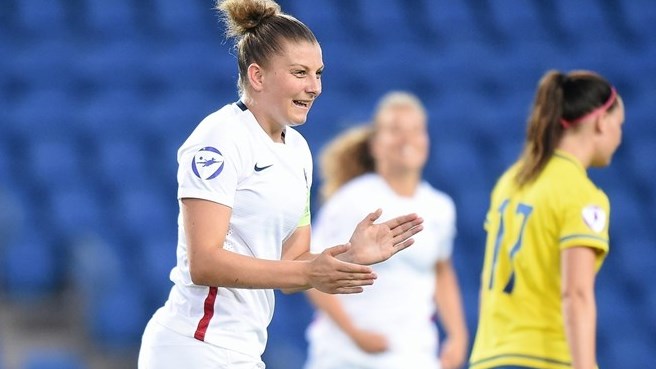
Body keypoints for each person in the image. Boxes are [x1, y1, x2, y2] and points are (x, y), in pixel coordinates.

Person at [137, 1, 425, 368]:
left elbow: (292, 266)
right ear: (257, 77)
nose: (315, 87)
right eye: (300, 72)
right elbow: (204, 263)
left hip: (241, 351)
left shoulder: (298, 151)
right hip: (195, 345)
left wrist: (348, 256)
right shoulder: (219, 140)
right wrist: (308, 272)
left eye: (319, 73)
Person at [468, 70, 625, 369]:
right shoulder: (582, 194)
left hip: (489, 355)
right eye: (619, 124)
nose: (619, 136)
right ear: (602, 122)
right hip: (544, 356)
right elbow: (576, 294)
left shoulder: (512, 180)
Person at [304, 91, 469, 369]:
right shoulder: (351, 200)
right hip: (345, 358)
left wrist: (458, 335)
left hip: (414, 356)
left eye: (416, 130)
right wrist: (354, 334)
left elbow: (441, 270)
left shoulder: (440, 207)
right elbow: (313, 270)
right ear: (375, 145)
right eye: (395, 130)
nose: (407, 139)